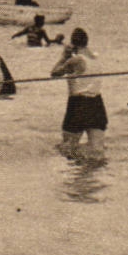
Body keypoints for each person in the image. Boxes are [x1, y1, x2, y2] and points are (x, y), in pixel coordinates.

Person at [50, 28, 107, 158]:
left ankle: (75, 173)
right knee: (97, 149)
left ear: (73, 43)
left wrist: (63, 57)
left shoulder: (76, 60)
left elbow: (54, 73)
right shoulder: (95, 58)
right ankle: (91, 175)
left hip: (78, 104)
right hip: (97, 104)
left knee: (68, 147)